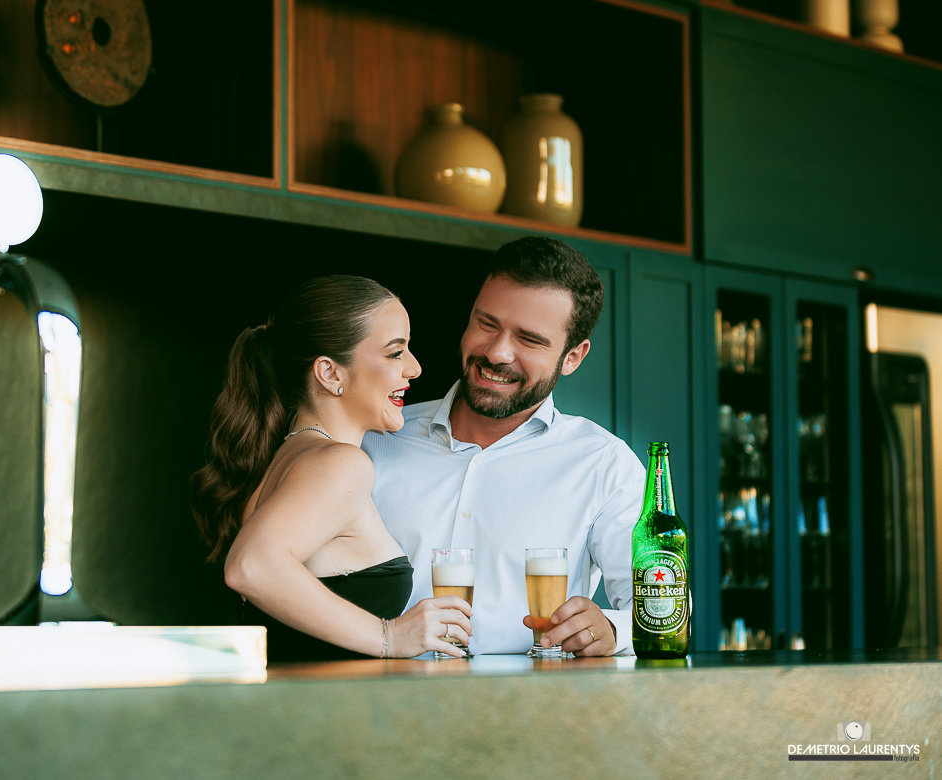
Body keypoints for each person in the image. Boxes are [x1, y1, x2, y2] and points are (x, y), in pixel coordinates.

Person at [363, 236, 645, 657]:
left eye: (529, 339)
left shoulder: (604, 464)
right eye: (487, 324)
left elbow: (663, 608)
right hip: (375, 694)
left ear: (573, 357)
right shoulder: (376, 436)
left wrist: (611, 629)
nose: (497, 352)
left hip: (528, 699)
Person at [191, 275, 473, 662]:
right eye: (395, 353)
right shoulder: (341, 463)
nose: (415, 368)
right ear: (330, 373)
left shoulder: (282, 460)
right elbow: (249, 566)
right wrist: (390, 637)